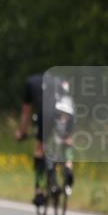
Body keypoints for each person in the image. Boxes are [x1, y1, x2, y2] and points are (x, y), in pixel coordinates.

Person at [15, 73, 74, 205]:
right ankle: (68, 167)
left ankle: (39, 191)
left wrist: (21, 132)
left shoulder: (31, 82)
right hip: (66, 110)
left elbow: (26, 112)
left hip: (46, 112)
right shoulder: (62, 79)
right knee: (67, 140)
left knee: (40, 150)